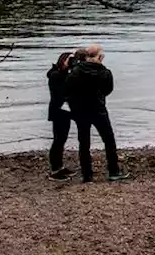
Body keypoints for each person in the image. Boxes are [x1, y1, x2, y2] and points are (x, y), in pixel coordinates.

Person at [64, 44, 127, 183]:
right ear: (100, 57)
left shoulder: (76, 71)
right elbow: (107, 90)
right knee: (109, 140)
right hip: (98, 110)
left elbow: (68, 89)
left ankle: (87, 176)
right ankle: (113, 171)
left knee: (84, 143)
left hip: (81, 111)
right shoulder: (105, 72)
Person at [46, 51, 76, 181]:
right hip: (58, 111)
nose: (72, 62)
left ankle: (60, 166)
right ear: (63, 60)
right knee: (58, 140)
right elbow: (63, 91)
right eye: (70, 60)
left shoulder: (64, 74)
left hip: (65, 111)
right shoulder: (55, 75)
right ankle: (55, 170)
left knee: (62, 139)